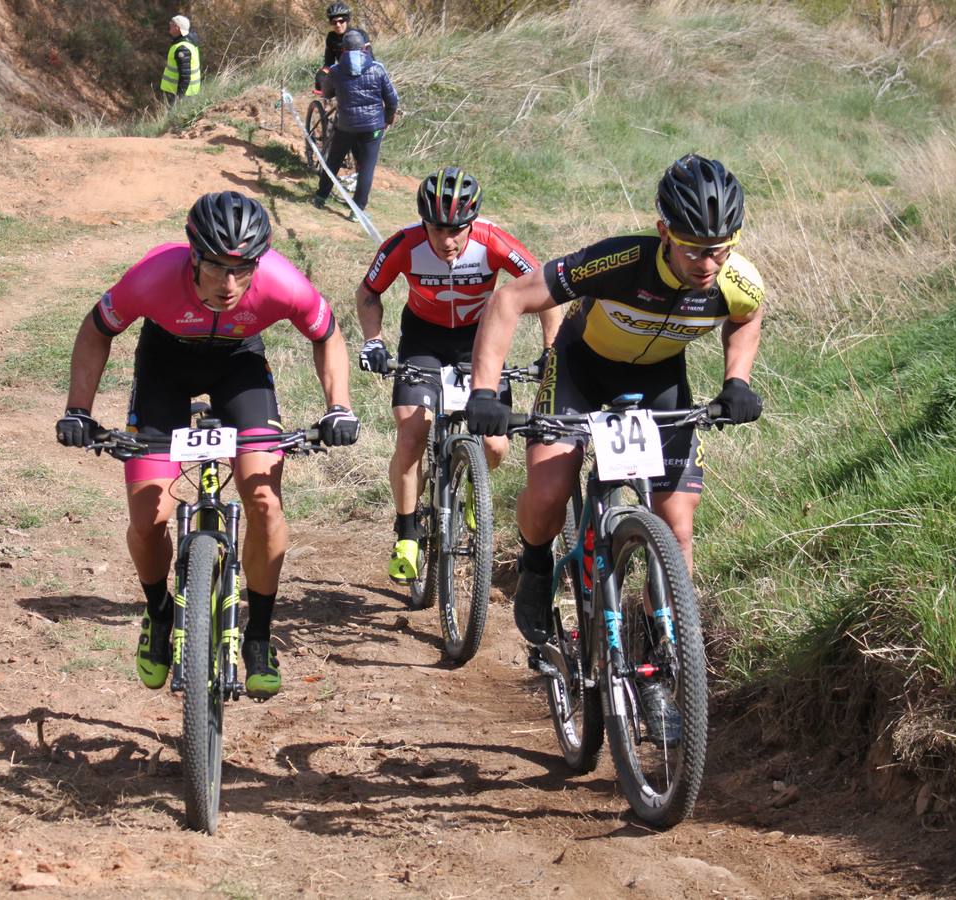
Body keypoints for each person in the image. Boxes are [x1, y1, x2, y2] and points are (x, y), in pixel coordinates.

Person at [55, 191, 360, 700]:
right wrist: (78, 410)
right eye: (217, 267)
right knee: (148, 517)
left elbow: (326, 335)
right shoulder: (152, 277)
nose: (230, 283)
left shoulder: (284, 282)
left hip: (239, 366)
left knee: (263, 499)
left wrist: (339, 406)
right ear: (193, 256)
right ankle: (158, 615)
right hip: (165, 367)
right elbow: (95, 331)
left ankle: (258, 635)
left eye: (243, 269)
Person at [466, 153, 765, 648]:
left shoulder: (737, 280)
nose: (708, 265)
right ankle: (537, 569)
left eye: (721, 249)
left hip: (660, 380)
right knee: (548, 493)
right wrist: (483, 390)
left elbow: (747, 316)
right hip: (581, 368)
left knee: (677, 528)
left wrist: (737, 379)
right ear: (663, 232)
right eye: (693, 250)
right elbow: (509, 299)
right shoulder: (622, 261)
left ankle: (664, 656)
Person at [356, 167, 561, 582]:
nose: (447, 241)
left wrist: (550, 353)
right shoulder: (405, 244)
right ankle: (408, 532)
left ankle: (472, 487)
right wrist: (373, 341)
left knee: (497, 446)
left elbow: (548, 292)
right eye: (436, 229)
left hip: (480, 341)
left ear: (472, 223)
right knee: (412, 436)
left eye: (457, 230)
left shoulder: (492, 241)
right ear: (423, 223)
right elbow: (368, 292)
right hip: (423, 342)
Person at [311, 29, 397, 216]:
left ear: (343, 51)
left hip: (346, 125)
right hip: (373, 127)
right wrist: (387, 118)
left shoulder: (335, 71)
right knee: (367, 167)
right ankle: (356, 212)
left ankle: (320, 197)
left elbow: (326, 93)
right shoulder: (377, 69)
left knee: (333, 160)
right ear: (365, 48)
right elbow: (392, 100)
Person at [160, 14, 201, 105]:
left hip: (181, 93)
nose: (169, 24)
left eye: (172, 23)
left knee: (174, 117)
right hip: (185, 91)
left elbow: (185, 75)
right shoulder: (188, 41)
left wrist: (179, 97)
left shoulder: (182, 48)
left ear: (177, 28)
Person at [314, 2, 353, 94]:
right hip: (343, 73)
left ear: (347, 20)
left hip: (360, 73)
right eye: (334, 22)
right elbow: (329, 63)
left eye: (341, 21)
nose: (338, 25)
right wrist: (322, 75)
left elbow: (371, 59)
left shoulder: (358, 35)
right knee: (320, 78)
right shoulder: (331, 37)